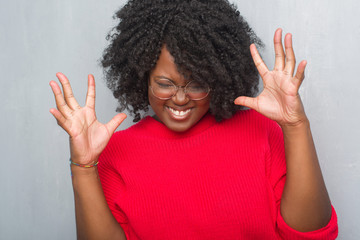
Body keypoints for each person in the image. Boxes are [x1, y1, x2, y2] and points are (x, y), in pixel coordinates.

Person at [49, 0, 338, 239]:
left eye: (196, 83)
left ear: (217, 76)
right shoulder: (115, 152)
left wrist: (296, 126)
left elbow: (313, 233)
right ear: (143, 78)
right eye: (164, 83)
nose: (180, 98)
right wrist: (84, 168)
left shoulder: (259, 130)